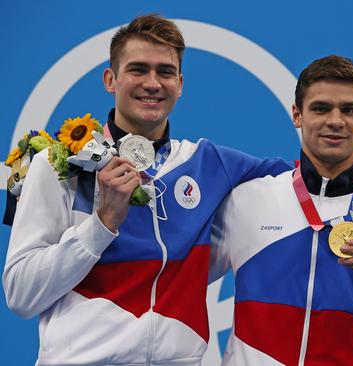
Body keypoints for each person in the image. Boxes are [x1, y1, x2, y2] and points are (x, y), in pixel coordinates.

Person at [2, 14, 296, 365]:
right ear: (110, 80)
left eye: (165, 72)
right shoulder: (59, 165)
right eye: (138, 70)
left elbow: (309, 177)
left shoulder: (208, 163)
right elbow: (21, 294)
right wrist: (102, 224)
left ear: (181, 83)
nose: (153, 83)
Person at [212, 55, 353, 365]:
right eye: (321, 108)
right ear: (297, 114)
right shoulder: (247, 201)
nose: (335, 120)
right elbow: (175, 277)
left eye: (348, 110)